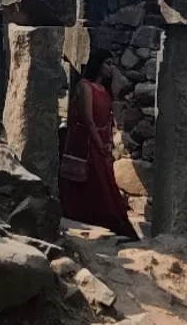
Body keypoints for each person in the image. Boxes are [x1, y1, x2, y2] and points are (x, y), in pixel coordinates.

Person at [59, 48, 137, 238]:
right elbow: (88, 118)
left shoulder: (105, 90)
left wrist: (108, 142)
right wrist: (99, 143)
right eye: (108, 64)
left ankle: (113, 223)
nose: (111, 68)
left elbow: (109, 117)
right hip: (86, 141)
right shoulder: (85, 86)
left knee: (105, 180)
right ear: (99, 65)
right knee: (97, 181)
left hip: (102, 140)